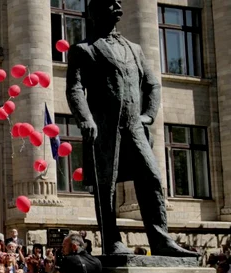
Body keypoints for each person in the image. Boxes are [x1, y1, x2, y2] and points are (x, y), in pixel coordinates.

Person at [66, 0, 196, 257]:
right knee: (107, 185)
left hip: (135, 127)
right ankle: (112, 240)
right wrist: (86, 119)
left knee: (152, 177)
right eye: (109, 1)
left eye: (118, 1)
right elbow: (75, 88)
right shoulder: (83, 49)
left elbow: (152, 84)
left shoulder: (135, 48)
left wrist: (148, 114)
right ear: (94, 13)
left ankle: (160, 240)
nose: (115, 4)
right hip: (105, 128)